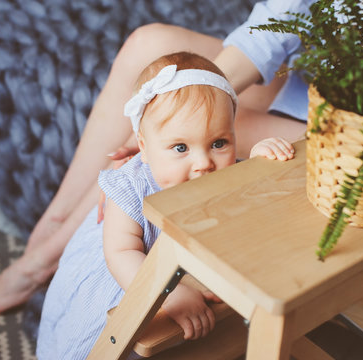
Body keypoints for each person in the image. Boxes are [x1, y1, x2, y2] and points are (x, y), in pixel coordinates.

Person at [0, 0, 313, 314]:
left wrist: (174, 122)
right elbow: (277, 21)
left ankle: (41, 261)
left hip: (338, 121)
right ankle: (57, 221)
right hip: (301, 80)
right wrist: (174, 108)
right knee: (150, 45)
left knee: (204, 130)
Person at [36, 51, 295, 359]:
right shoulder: (132, 187)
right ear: (143, 148)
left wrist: (260, 161)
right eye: (181, 147)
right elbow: (121, 253)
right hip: (134, 279)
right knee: (108, 340)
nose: (203, 163)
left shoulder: (228, 174)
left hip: (196, 276)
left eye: (219, 143)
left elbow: (253, 202)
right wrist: (167, 294)